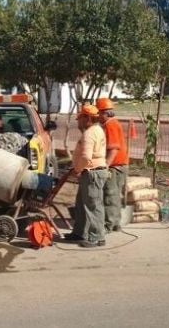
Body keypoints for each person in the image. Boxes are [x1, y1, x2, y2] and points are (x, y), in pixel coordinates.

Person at [68, 104, 110, 248]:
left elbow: (86, 157)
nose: (78, 122)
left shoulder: (90, 133)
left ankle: (97, 237)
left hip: (92, 173)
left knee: (93, 205)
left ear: (87, 118)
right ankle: (79, 232)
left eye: (80, 118)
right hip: (92, 172)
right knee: (81, 204)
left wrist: (77, 169)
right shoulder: (97, 130)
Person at [96, 97, 129, 232]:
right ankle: (115, 223)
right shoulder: (110, 124)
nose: (97, 116)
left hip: (116, 166)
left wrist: (106, 165)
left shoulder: (110, 125)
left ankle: (109, 224)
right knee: (114, 196)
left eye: (98, 113)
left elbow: (114, 148)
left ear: (104, 113)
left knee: (110, 195)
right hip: (119, 165)